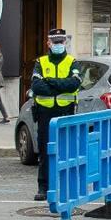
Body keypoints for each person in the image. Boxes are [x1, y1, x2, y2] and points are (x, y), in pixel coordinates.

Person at [30, 29, 82, 201]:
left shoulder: (72, 61)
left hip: (65, 112)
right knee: (45, 151)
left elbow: (74, 84)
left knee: (66, 151)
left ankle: (64, 187)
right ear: (49, 43)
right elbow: (37, 86)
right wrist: (60, 85)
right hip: (45, 113)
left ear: (65, 43)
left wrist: (50, 81)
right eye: (55, 42)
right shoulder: (41, 62)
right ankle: (43, 187)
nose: (59, 45)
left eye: (61, 42)